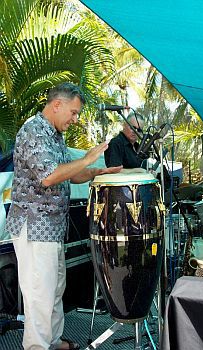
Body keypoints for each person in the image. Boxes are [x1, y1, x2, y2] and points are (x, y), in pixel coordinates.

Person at [5, 82, 122, 350]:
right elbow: (49, 177)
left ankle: (53, 342)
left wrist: (96, 173)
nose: (75, 119)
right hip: (34, 227)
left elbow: (68, 172)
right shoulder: (34, 131)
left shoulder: (55, 135)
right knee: (40, 296)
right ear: (57, 105)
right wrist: (88, 157)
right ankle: (38, 347)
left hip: (52, 228)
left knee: (54, 291)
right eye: (74, 112)